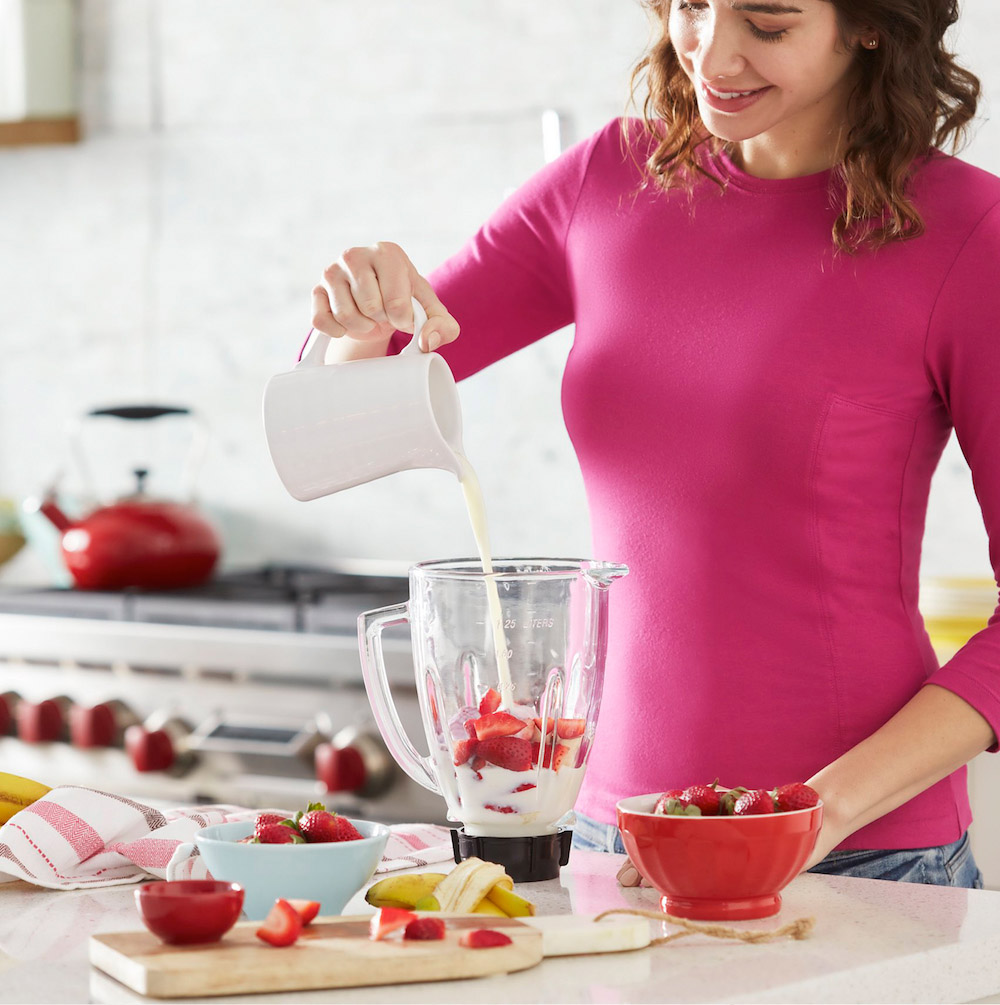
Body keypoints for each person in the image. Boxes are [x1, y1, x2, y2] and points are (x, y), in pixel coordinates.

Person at [309, 0, 999, 888]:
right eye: (692, 6)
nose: (713, 54)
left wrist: (813, 812)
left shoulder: (968, 232)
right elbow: (343, 421)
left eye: (768, 24)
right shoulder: (607, 179)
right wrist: (362, 316)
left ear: (869, 24)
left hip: (859, 854)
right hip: (611, 838)